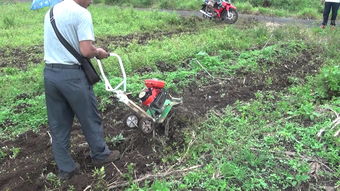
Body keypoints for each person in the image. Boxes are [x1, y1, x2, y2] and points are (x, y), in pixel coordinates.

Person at [43, 0, 120, 180]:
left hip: (50, 75)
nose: (92, 1)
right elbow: (86, 50)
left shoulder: (51, 12)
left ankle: (66, 169)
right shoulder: (81, 13)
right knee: (89, 116)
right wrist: (99, 51)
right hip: (72, 76)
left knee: (58, 125)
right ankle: (101, 155)